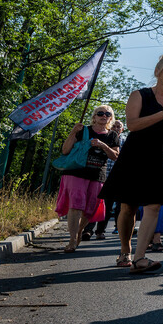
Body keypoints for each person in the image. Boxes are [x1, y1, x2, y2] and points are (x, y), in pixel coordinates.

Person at [99, 52, 163, 274]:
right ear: (158, 72)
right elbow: (132, 124)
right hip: (135, 154)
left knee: (153, 205)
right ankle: (126, 250)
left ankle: (140, 257)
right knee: (128, 206)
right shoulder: (140, 95)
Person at [57, 105, 121, 253]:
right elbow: (65, 150)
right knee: (75, 206)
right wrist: (73, 131)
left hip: (97, 175)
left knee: (91, 209)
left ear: (110, 118)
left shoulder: (112, 136)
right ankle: (72, 239)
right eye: (100, 113)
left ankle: (79, 231)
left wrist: (103, 146)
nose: (103, 116)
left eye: (107, 114)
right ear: (94, 116)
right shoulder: (83, 130)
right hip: (76, 173)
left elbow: (115, 156)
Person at [84, 119, 125, 240]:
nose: (117, 128)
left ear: (122, 129)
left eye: (119, 127)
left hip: (115, 178)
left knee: (107, 206)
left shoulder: (125, 141)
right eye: (115, 126)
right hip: (99, 175)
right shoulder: (105, 137)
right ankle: (87, 230)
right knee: (93, 203)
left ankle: (100, 231)